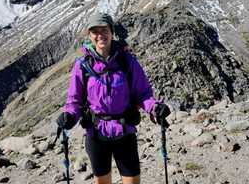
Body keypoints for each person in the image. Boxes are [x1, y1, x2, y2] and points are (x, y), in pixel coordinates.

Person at [57, 12, 171, 184]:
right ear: (89, 35)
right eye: (95, 31)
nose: (100, 35)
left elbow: (143, 94)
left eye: (104, 29)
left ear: (112, 32)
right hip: (96, 134)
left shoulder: (127, 61)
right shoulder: (83, 65)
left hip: (124, 132)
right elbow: (75, 101)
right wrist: (70, 116)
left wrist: (155, 107)